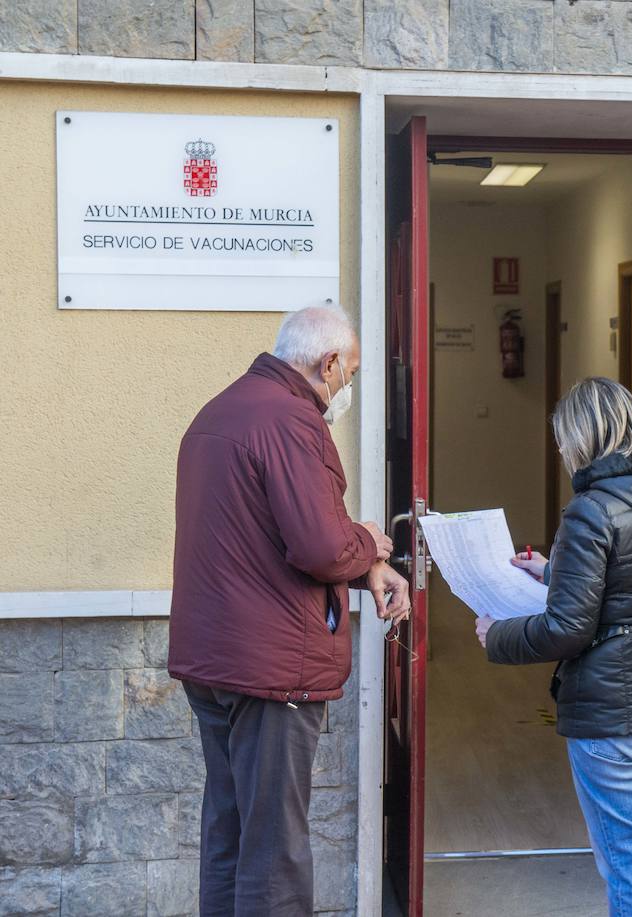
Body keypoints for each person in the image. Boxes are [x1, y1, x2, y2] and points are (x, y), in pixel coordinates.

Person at [168, 306, 411, 916]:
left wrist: (361, 562)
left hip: (214, 658)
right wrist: (372, 543)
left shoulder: (221, 410)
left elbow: (266, 536)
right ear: (327, 364)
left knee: (229, 832)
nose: (346, 388)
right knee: (276, 852)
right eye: (349, 374)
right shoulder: (292, 422)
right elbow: (320, 545)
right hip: (272, 669)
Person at [478, 377, 632, 917]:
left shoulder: (593, 508)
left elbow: (567, 629)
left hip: (615, 714)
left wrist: (497, 635)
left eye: (564, 440)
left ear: (585, 438)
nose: (561, 452)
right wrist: (552, 571)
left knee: (631, 860)